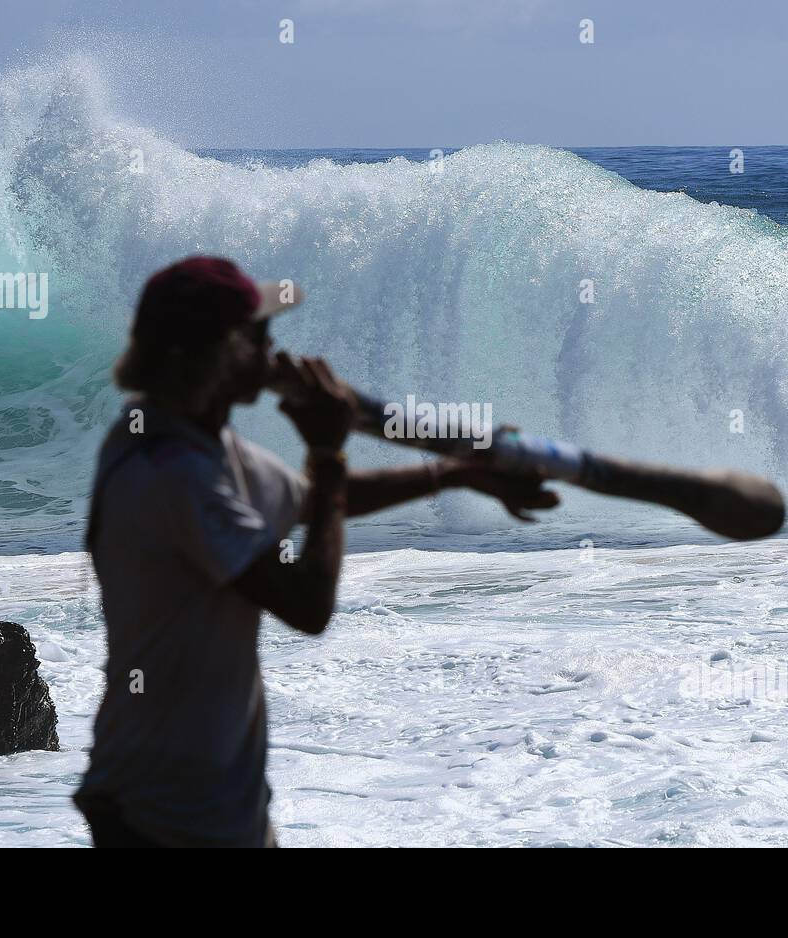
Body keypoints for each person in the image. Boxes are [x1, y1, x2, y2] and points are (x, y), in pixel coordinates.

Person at [74, 256, 559, 847]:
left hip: (213, 804)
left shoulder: (193, 443)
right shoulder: (171, 471)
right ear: (207, 353)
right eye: (255, 337)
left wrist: (453, 474)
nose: (272, 352)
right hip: (164, 814)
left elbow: (315, 503)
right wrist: (327, 450)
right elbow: (308, 603)